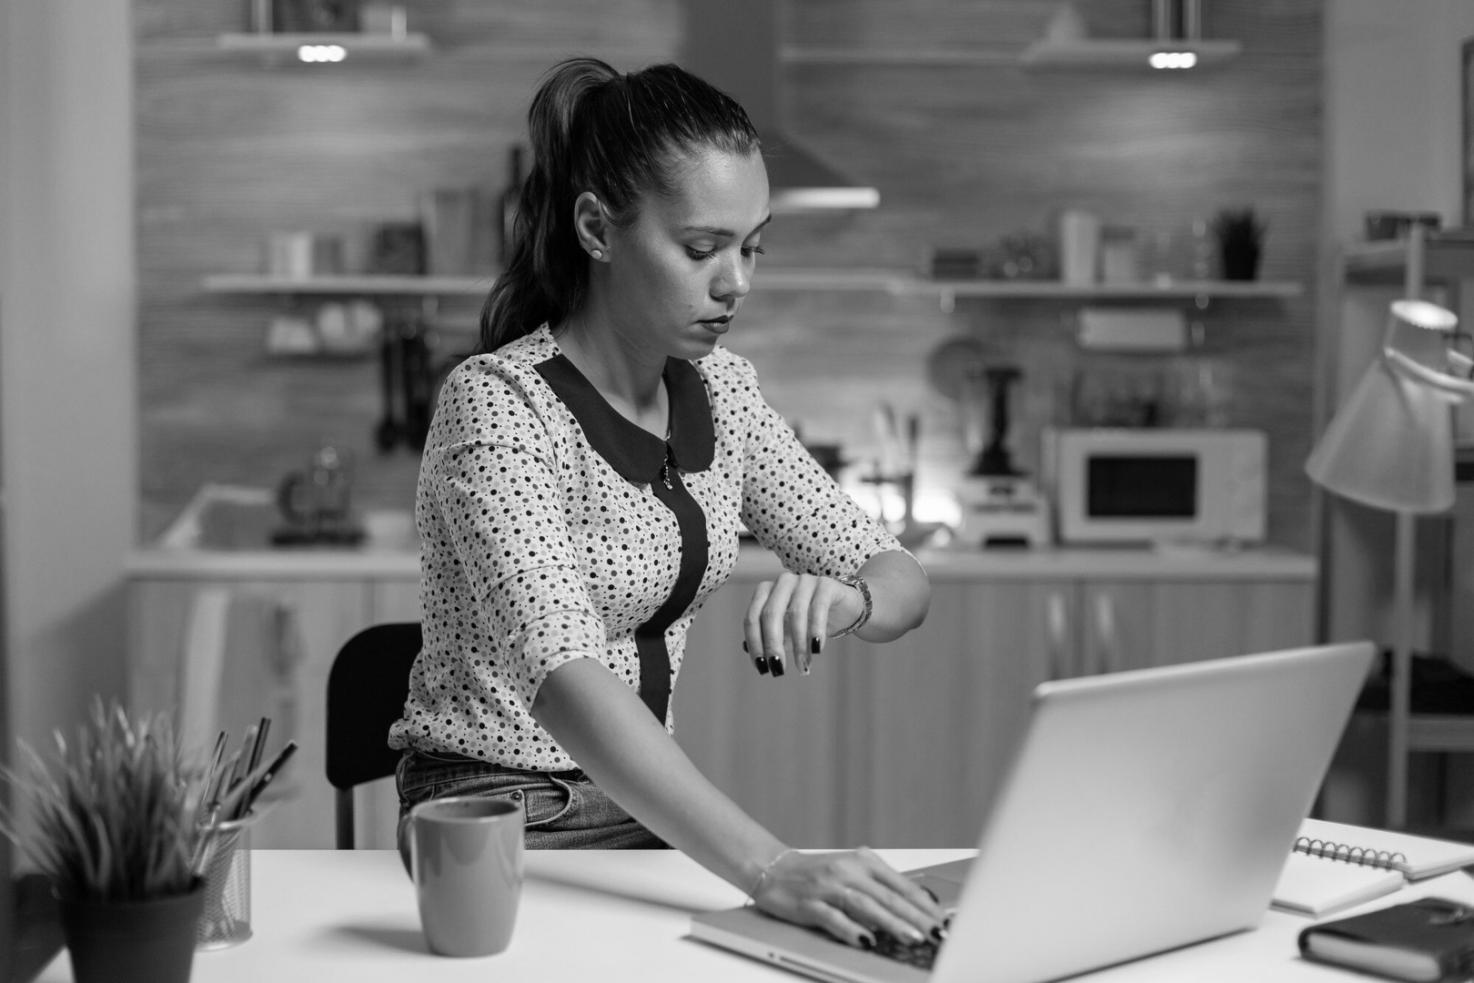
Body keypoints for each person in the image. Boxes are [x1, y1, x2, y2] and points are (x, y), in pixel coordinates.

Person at [388, 56, 943, 951]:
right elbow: (562, 675)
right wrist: (772, 866)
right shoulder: (498, 403)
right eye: (701, 249)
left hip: (646, 811)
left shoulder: (721, 390)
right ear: (598, 229)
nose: (737, 283)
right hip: (500, 812)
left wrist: (855, 596)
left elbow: (899, 574)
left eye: (753, 246)